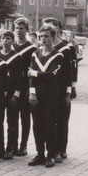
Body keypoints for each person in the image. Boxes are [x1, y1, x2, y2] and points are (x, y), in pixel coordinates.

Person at [27, 24, 63, 167]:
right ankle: (40, 154)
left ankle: (51, 155)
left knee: (49, 125)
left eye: (46, 36)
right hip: (37, 96)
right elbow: (30, 78)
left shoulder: (58, 56)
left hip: (51, 96)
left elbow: (53, 75)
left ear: (53, 37)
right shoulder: (35, 55)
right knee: (37, 125)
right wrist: (32, 93)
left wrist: (35, 73)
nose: (43, 40)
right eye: (41, 37)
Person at [43, 17, 77, 162]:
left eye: (52, 27)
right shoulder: (43, 47)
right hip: (48, 89)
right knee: (49, 120)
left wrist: (71, 89)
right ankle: (50, 149)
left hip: (62, 88)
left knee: (62, 120)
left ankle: (61, 149)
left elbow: (71, 70)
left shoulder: (66, 47)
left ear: (58, 29)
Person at [11, 18, 37, 157]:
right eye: (17, 28)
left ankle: (23, 145)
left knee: (25, 117)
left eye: (21, 28)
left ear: (27, 30)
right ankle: (13, 144)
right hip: (12, 87)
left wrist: (30, 90)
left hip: (25, 87)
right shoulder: (12, 47)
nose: (19, 30)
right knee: (12, 117)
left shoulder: (31, 49)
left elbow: (31, 70)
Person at [0, 30, 22, 160]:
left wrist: (16, 94)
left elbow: (20, 78)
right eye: (3, 38)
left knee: (12, 121)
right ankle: (0, 147)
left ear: (12, 40)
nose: (5, 41)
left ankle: (11, 147)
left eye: (8, 38)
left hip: (12, 93)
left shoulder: (17, 56)